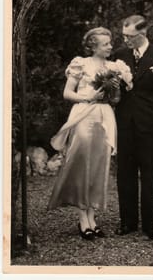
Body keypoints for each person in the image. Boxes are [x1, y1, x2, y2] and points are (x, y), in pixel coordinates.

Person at [47, 27, 132, 240]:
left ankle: (92, 217)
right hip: (85, 115)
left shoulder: (114, 67)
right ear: (93, 46)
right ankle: (82, 219)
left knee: (98, 166)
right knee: (82, 165)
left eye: (110, 43)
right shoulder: (81, 63)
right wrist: (89, 97)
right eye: (106, 44)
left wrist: (113, 93)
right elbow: (67, 93)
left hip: (105, 117)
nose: (110, 46)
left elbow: (116, 100)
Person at [114, 15, 153, 240]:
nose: (126, 40)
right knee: (125, 174)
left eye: (130, 36)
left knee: (148, 175)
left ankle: (150, 225)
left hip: (149, 125)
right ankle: (127, 222)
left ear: (143, 33)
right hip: (124, 123)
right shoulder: (119, 56)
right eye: (124, 35)